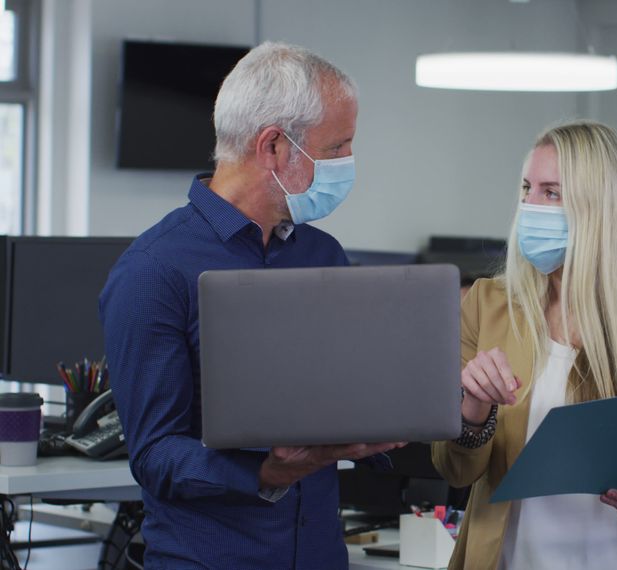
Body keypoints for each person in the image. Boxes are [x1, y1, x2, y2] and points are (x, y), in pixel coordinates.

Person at [99, 42, 402, 568]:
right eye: (338, 148)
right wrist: (266, 472)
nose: (348, 165)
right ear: (274, 148)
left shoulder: (322, 254)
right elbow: (154, 456)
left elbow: (346, 397)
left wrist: (394, 419)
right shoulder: (153, 269)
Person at [431, 121, 617, 570]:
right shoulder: (486, 307)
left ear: (601, 207)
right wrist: (473, 409)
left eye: (551, 192)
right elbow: (455, 470)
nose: (529, 205)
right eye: (527, 188)